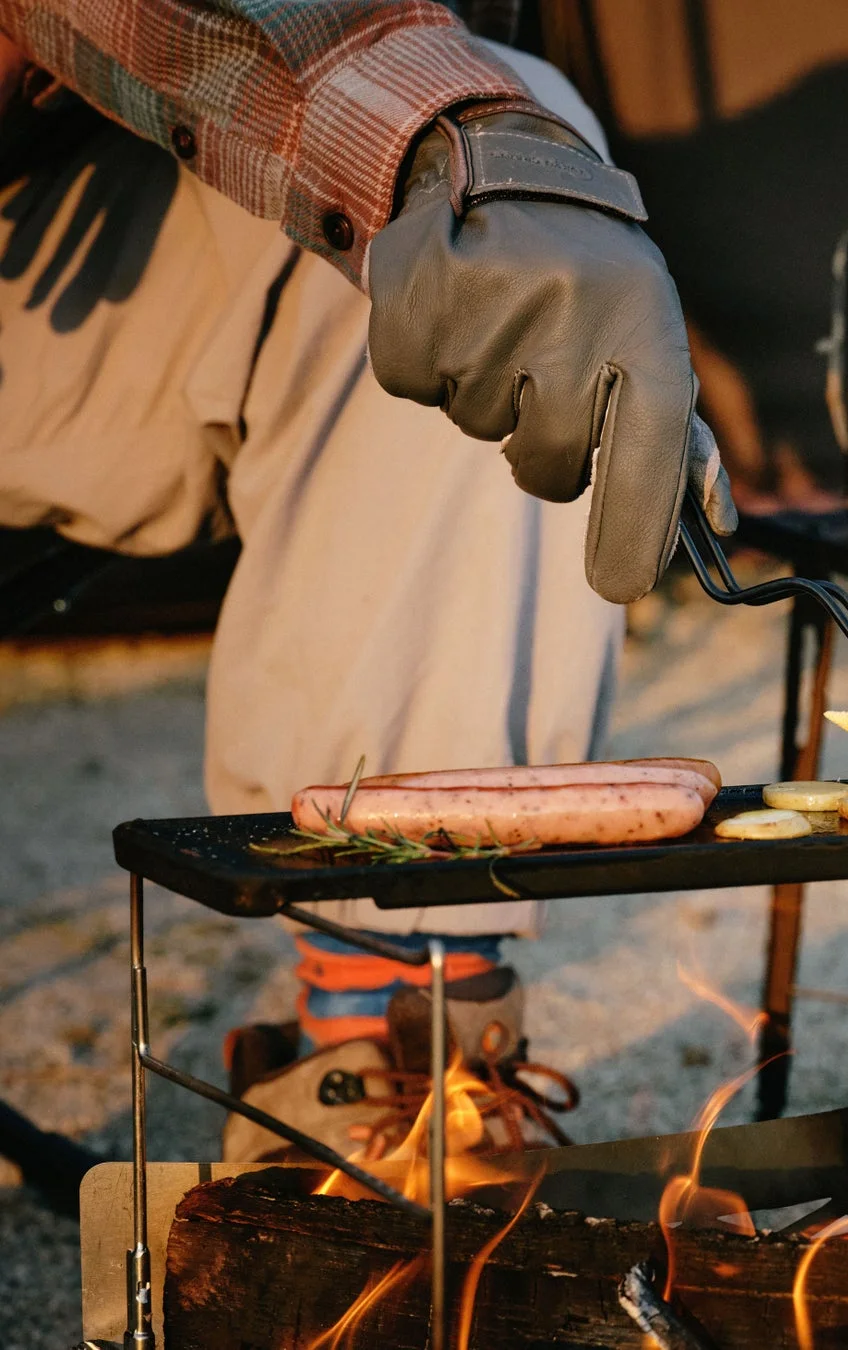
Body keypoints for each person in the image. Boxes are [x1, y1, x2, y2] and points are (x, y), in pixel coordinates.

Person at [0, 0, 735, 1160]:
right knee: (449, 148)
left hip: (83, 223)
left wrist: (471, 153)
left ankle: (394, 1027)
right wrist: (423, 128)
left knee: (488, 200)